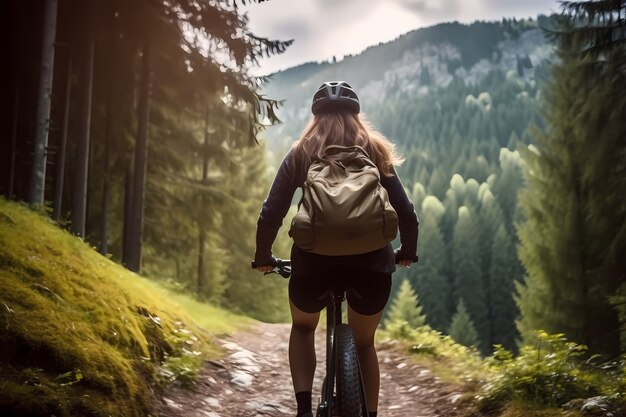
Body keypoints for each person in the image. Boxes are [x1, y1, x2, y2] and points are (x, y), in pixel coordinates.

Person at [254, 81, 419, 417]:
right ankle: (369, 414)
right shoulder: (374, 150)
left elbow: (272, 211)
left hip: (313, 265)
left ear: (315, 117)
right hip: (372, 265)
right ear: (356, 116)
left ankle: (303, 409)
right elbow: (406, 211)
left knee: (302, 327)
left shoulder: (302, 151)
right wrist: (407, 251)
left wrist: (263, 257)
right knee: (363, 342)